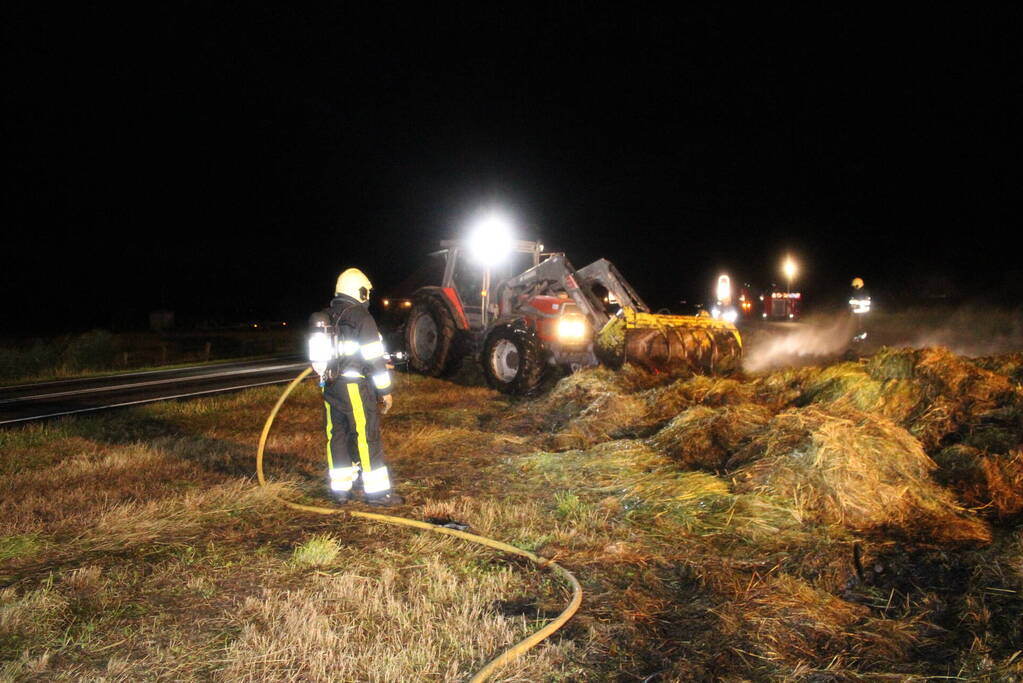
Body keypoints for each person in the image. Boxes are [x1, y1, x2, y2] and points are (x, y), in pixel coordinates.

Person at [311, 268, 402, 506]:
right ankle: (377, 493)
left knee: (337, 435)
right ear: (360, 291)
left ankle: (340, 490)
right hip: (354, 386)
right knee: (366, 436)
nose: (368, 297)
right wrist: (385, 391)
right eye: (366, 292)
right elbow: (374, 359)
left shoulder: (326, 316)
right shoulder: (361, 318)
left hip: (330, 385)